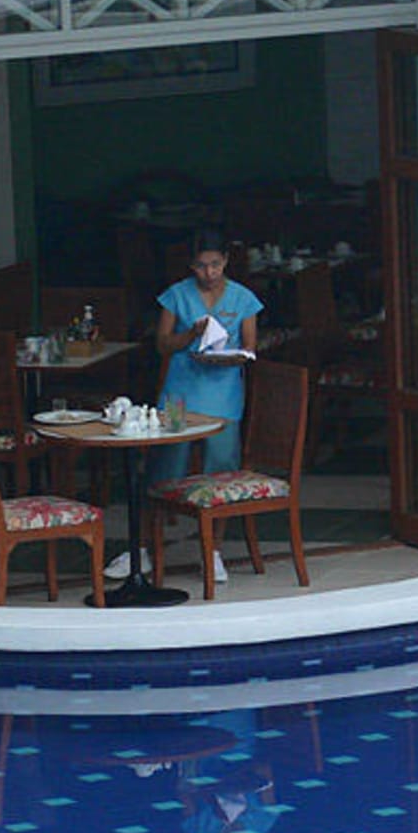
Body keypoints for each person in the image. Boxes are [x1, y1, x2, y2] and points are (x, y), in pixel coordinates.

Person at [109, 232, 262, 581]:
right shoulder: (176, 295)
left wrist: (230, 357)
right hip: (179, 395)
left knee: (221, 472)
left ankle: (214, 551)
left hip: (223, 395)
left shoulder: (243, 298)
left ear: (226, 261)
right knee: (164, 470)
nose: (209, 272)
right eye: (201, 266)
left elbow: (250, 348)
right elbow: (163, 345)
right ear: (191, 265)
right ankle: (144, 549)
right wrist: (191, 335)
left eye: (215, 264)